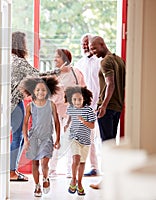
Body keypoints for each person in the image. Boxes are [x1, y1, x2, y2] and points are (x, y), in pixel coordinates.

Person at [10, 31, 59, 181]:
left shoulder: (11, 60)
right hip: (14, 103)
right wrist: (58, 71)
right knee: (17, 138)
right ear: (21, 45)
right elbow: (38, 75)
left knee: (16, 137)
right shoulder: (20, 62)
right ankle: (11, 171)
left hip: (11, 102)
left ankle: (12, 170)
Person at [88, 36, 126, 189]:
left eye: (94, 47)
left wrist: (103, 106)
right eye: (91, 48)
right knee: (112, 144)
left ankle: (108, 181)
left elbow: (111, 84)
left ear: (102, 44)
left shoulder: (106, 61)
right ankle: (114, 180)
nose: (92, 51)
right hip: (117, 107)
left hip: (108, 108)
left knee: (107, 145)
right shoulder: (119, 60)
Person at [20, 76, 61, 197]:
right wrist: (26, 140)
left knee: (44, 164)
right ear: (33, 91)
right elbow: (25, 124)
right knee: (35, 163)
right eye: (38, 90)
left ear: (47, 91)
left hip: (47, 138)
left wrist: (58, 139)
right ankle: (37, 186)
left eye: (43, 90)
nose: (40, 92)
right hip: (34, 138)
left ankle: (46, 178)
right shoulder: (30, 106)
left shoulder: (51, 105)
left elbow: (57, 122)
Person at [49, 48, 86, 178]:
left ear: (64, 58)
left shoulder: (76, 72)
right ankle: (52, 169)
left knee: (72, 140)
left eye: (57, 57)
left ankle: (71, 170)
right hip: (56, 110)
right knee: (55, 138)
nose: (54, 59)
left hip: (72, 111)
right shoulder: (54, 74)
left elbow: (83, 89)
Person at [75, 34, 101, 177]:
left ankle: (103, 167)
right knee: (88, 138)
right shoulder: (79, 64)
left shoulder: (100, 62)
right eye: (82, 44)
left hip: (100, 105)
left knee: (101, 138)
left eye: (87, 43)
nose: (85, 46)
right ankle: (94, 167)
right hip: (85, 107)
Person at [64, 86, 96, 196]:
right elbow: (70, 117)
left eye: (79, 99)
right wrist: (67, 124)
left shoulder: (89, 110)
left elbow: (92, 126)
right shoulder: (71, 108)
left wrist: (83, 121)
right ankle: (73, 180)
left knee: (82, 163)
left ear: (84, 99)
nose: (77, 102)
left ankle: (80, 183)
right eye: (74, 99)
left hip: (86, 141)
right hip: (74, 138)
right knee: (76, 159)